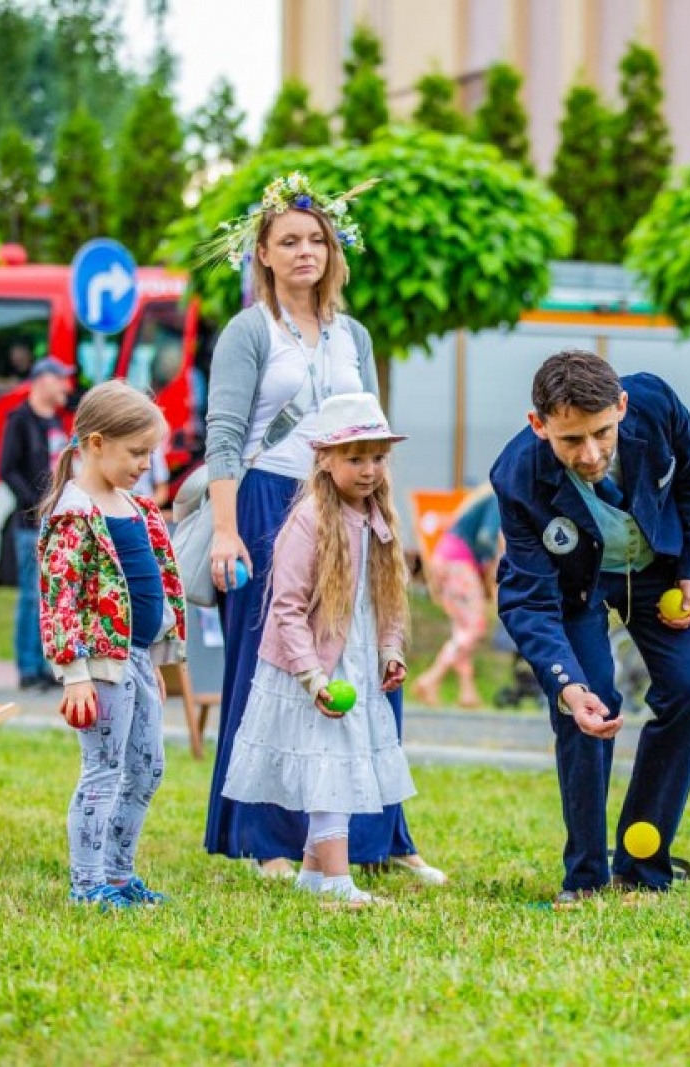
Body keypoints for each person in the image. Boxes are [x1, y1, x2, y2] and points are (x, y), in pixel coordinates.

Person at [200, 172, 442, 886]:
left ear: (333, 250)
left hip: (348, 503)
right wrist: (225, 532)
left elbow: (371, 433)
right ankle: (268, 839)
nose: (304, 251)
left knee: (365, 660)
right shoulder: (250, 332)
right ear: (263, 253)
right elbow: (223, 435)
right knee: (275, 666)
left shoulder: (352, 335)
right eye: (288, 241)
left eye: (316, 239)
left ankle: (379, 834)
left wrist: (389, 523)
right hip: (266, 501)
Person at [490, 350, 690, 906]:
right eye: (571, 440)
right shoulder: (518, 477)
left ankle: (642, 867)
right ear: (538, 424)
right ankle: (587, 877)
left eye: (601, 434)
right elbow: (529, 600)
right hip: (576, 587)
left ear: (622, 407)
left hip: (659, 569)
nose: (590, 455)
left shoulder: (656, 405)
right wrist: (566, 684)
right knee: (589, 703)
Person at [221, 393, 417, 909]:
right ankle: (337, 881)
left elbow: (387, 599)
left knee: (343, 762)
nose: (369, 470)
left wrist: (390, 651)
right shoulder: (309, 520)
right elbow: (286, 608)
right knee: (331, 765)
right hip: (315, 666)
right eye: (355, 458)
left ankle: (312, 872)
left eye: (377, 457)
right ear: (325, 460)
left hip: (357, 662)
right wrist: (311, 676)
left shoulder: (380, 519)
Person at [36, 380, 186, 910]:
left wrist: (155, 662)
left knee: (147, 768)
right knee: (103, 771)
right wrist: (75, 674)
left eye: (150, 453)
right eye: (137, 452)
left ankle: (119, 877)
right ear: (96, 443)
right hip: (99, 666)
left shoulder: (134, 506)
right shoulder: (74, 515)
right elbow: (60, 599)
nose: (146, 464)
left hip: (135, 660)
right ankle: (87, 885)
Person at [0, 357, 72, 691]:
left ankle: (45, 664)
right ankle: (27, 666)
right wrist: (33, 503)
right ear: (42, 380)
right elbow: (7, 469)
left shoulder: (55, 421)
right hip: (30, 523)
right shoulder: (20, 420)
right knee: (31, 595)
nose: (66, 386)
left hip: (56, 520)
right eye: (60, 379)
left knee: (51, 596)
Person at [414, 484, 501, 708]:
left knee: (462, 629)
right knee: (474, 627)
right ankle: (430, 679)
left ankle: (467, 692)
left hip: (445, 558)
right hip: (459, 563)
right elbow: (485, 538)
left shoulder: (482, 498)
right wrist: (492, 565)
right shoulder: (498, 496)